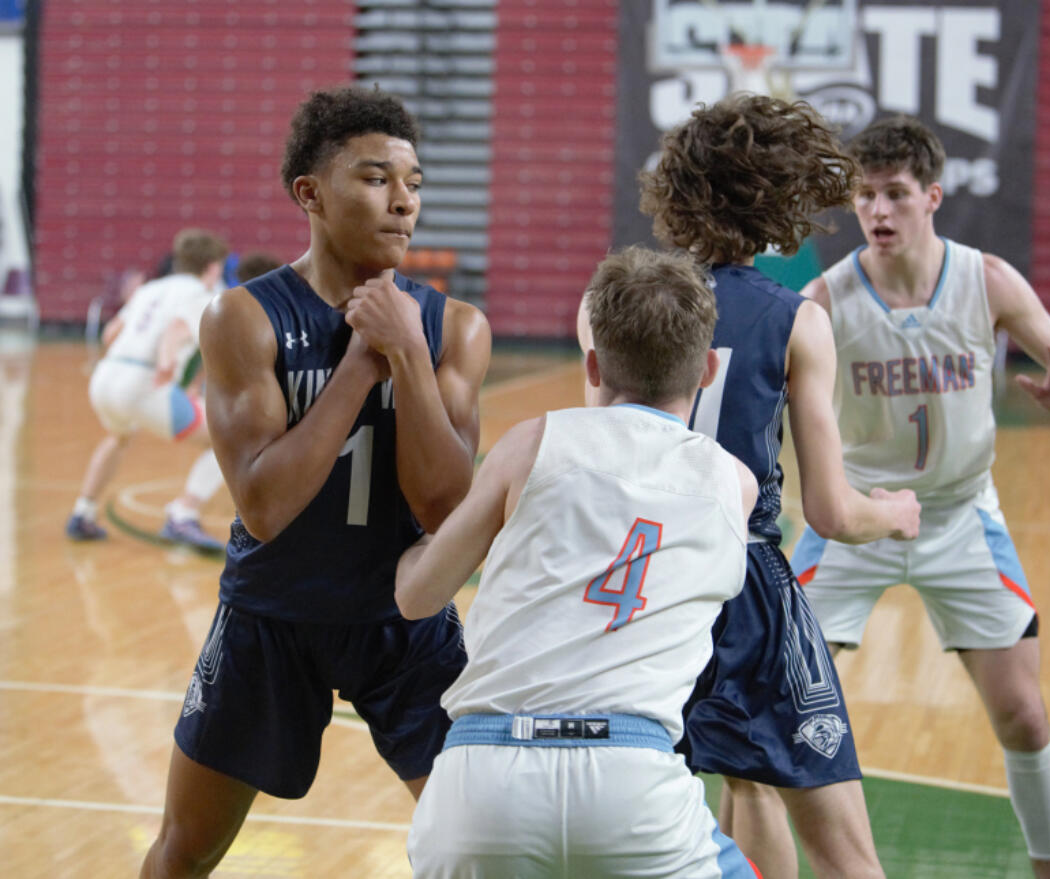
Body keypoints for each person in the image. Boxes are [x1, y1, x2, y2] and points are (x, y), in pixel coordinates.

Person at [138, 85, 491, 878]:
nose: (404, 202)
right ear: (311, 193)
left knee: (484, 845)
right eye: (375, 179)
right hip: (271, 616)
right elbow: (263, 506)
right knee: (184, 852)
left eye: (415, 183)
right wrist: (365, 361)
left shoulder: (455, 327)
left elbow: (444, 506)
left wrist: (406, 352)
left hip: (404, 622)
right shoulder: (243, 317)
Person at [789, 116, 1050, 879]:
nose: (879, 212)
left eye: (895, 194)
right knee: (784, 709)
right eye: (865, 197)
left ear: (932, 196)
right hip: (854, 520)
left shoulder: (985, 278)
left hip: (960, 518)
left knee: (1024, 716)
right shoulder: (824, 301)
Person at [397, 245, 761, 878]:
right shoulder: (735, 481)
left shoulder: (533, 441)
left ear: (592, 364)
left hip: (483, 783)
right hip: (633, 782)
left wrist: (411, 544)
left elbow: (417, 599)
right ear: (706, 370)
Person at [639, 93, 921, 879]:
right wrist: (892, 513)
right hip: (747, 580)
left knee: (744, 784)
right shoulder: (795, 318)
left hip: (649, 574)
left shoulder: (623, 305)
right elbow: (829, 509)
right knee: (845, 847)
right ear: (777, 194)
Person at [66, 228, 231, 551]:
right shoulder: (200, 292)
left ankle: (82, 513)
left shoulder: (151, 289)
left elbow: (110, 334)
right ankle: (183, 514)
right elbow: (178, 329)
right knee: (225, 440)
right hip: (143, 382)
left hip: (105, 377)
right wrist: (168, 364)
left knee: (119, 436)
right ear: (212, 267)